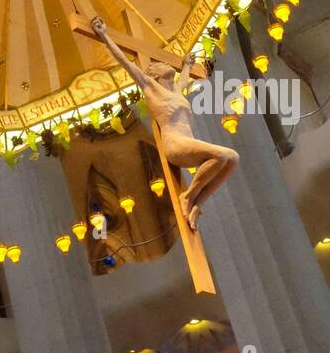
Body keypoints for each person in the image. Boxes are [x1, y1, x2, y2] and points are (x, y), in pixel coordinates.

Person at [89, 15, 239, 231]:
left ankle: (197, 203)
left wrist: (187, 65)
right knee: (222, 155)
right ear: (154, 73)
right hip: (175, 144)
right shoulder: (150, 86)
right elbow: (124, 61)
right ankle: (188, 197)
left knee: (233, 158)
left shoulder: (176, 92)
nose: (162, 64)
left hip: (188, 142)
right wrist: (104, 34)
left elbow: (184, 78)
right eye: (158, 65)